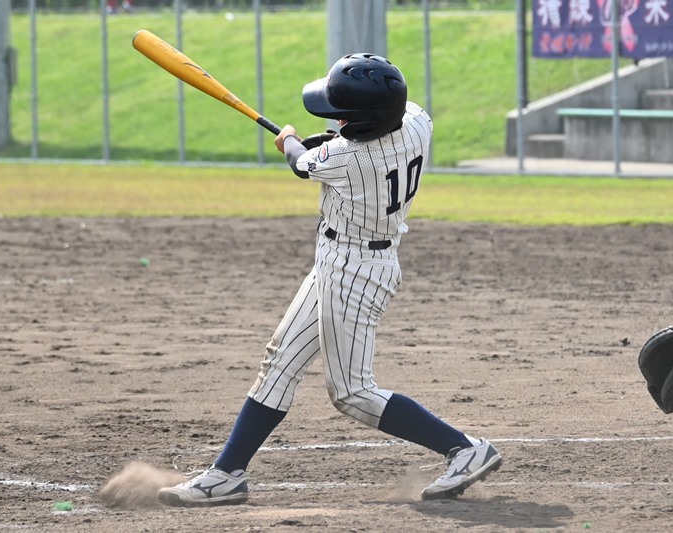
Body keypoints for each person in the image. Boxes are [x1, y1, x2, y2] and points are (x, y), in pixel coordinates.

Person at [157, 53, 502, 507]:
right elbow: (349, 137)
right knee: (279, 362)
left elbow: (302, 163)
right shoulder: (417, 121)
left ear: (361, 123)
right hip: (349, 258)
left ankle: (465, 449)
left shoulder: (347, 160)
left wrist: (291, 140)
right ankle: (226, 474)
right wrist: (322, 136)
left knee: (353, 392)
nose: (334, 117)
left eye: (341, 114)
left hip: (353, 272)